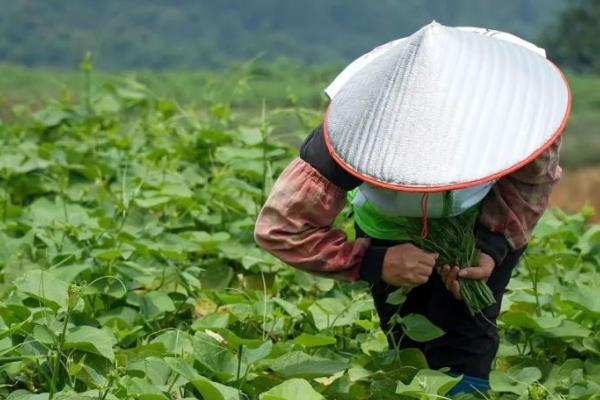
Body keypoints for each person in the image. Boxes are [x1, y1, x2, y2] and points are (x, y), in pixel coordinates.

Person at [254, 22, 571, 394]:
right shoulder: (352, 128)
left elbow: (531, 183)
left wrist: (490, 248)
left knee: (467, 341)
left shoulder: (522, 105)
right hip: (388, 225)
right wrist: (374, 262)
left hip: (479, 217)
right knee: (409, 345)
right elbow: (282, 228)